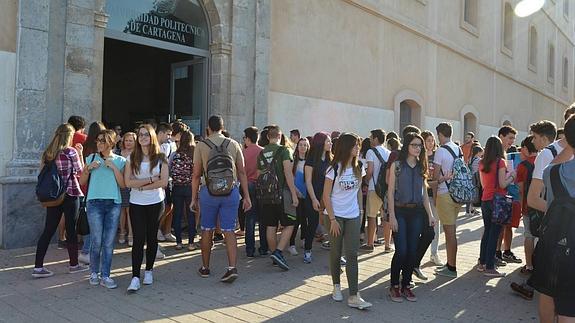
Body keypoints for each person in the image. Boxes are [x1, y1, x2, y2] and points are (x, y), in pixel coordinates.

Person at [191, 115, 251, 282]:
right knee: (229, 230)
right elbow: (242, 172)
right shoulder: (233, 144)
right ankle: (232, 267)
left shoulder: (201, 145)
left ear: (208, 128)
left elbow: (196, 175)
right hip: (230, 192)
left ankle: (205, 268)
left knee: (207, 229)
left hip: (208, 192)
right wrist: (246, 196)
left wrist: (193, 198)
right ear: (222, 127)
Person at [533, 115, 575, 323]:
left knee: (553, 298)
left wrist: (569, 145)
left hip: (558, 245)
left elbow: (551, 168)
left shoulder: (553, 172)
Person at [323, 133, 371, 310]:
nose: (358, 148)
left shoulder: (359, 167)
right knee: (336, 252)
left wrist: (360, 211)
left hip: (352, 215)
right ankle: (336, 286)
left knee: (352, 254)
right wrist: (333, 219)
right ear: (345, 147)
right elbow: (326, 196)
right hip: (335, 216)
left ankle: (354, 295)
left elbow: (358, 190)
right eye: (354, 145)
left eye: (358, 145)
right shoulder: (333, 169)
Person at [32, 124, 88, 278]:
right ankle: (74, 265)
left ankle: (38, 267)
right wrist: (81, 154)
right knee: (71, 230)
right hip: (70, 194)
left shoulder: (48, 153)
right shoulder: (71, 152)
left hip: (54, 196)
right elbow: (80, 172)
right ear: (69, 136)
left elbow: (41, 172)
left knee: (48, 230)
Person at [387, 132, 435, 302]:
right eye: (414, 145)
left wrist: (430, 215)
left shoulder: (422, 166)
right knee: (401, 250)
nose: (417, 148)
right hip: (399, 211)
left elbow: (424, 194)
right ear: (406, 146)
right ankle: (394, 285)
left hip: (416, 213)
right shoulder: (397, 165)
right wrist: (391, 216)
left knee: (412, 250)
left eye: (419, 145)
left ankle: (406, 284)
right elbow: (390, 192)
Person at [124, 124, 169, 292]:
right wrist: (150, 180)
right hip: (137, 203)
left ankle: (149, 270)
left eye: (146, 135)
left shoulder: (160, 157)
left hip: (156, 203)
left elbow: (163, 182)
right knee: (138, 240)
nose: (143, 137)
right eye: (140, 135)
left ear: (152, 137)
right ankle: (135, 276)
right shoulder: (132, 158)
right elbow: (128, 182)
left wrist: (140, 185)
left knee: (152, 238)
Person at [79, 129, 126, 288]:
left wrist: (113, 167)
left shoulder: (120, 160)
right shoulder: (91, 157)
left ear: (111, 143)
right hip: (94, 203)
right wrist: (88, 168)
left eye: (102, 141)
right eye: (98, 140)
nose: (98, 143)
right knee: (96, 239)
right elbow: (82, 182)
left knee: (108, 242)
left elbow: (123, 185)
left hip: (113, 203)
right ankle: (94, 272)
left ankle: (106, 275)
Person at [257, 125, 299, 270]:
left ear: (268, 137)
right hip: (282, 193)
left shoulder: (262, 153)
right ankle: (279, 252)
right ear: (280, 136)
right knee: (290, 223)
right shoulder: (284, 150)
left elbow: (259, 175)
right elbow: (288, 174)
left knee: (271, 226)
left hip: (266, 195)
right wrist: (294, 194)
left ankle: (275, 256)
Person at [477, 137, 515, 277]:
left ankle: (482, 262)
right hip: (498, 201)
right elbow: (502, 184)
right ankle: (490, 267)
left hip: (485, 200)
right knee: (494, 234)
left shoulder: (482, 163)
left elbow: (483, 184)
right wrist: (512, 177)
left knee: (487, 232)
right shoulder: (501, 162)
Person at [433, 122, 461, 278]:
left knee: (450, 233)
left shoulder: (440, 151)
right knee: (452, 231)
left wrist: (435, 196)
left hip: (445, 194)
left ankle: (451, 267)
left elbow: (436, 177)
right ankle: (450, 263)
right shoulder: (458, 149)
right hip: (457, 193)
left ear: (440, 134)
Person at [77, 121, 106, 265]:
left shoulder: (85, 146)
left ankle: (86, 250)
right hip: (97, 189)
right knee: (96, 224)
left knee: (91, 222)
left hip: (86, 188)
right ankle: (87, 251)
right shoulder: (99, 150)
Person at [304, 132, 333, 263]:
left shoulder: (330, 160)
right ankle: (307, 250)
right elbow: (308, 181)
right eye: (328, 141)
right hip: (313, 196)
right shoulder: (311, 160)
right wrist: (314, 199)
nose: (331, 143)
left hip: (328, 197)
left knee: (333, 223)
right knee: (313, 224)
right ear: (321, 143)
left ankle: (336, 253)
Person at [360, 129, 391, 252]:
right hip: (386, 188)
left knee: (371, 216)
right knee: (386, 217)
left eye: (371, 137)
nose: (370, 139)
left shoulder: (370, 152)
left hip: (374, 187)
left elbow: (370, 170)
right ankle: (387, 245)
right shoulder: (389, 152)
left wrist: (366, 181)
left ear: (376, 138)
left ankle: (370, 243)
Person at [495, 125, 521, 265]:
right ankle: (494, 254)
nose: (512, 141)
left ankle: (504, 252)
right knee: (495, 229)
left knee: (506, 226)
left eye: (513, 138)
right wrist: (511, 177)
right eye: (510, 138)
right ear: (501, 136)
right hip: (496, 196)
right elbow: (501, 182)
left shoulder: (506, 154)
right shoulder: (496, 156)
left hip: (504, 196)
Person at [242, 126, 267, 257]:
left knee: (250, 218)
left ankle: (250, 249)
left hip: (248, 185)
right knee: (263, 218)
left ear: (247, 138)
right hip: (262, 186)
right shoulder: (263, 151)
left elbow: (241, 172)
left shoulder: (243, 153)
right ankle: (263, 247)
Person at [170, 130, 196, 250]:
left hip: (177, 187)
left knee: (178, 214)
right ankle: (191, 243)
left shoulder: (175, 154)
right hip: (190, 187)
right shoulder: (193, 154)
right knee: (191, 214)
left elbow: (170, 169)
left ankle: (179, 242)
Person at [516, 136, 538, 276]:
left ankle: (529, 266)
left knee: (529, 235)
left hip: (528, 206)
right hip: (544, 205)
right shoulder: (546, 161)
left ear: (525, 148)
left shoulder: (523, 166)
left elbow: (520, 189)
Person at [289, 137, 310, 255]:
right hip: (296, 194)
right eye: (301, 145)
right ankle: (291, 244)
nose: (302, 147)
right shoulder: (293, 161)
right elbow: (290, 177)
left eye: (305, 145)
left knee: (305, 219)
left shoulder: (309, 161)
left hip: (307, 194)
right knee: (296, 220)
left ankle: (303, 239)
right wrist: (295, 191)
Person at [156, 122, 176, 243]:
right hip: (156, 182)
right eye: (168, 134)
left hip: (167, 180)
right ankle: (157, 230)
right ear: (161, 133)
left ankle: (167, 231)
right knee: (161, 207)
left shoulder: (168, 145)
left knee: (169, 206)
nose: (169, 137)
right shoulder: (152, 146)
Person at [118, 132, 137, 246]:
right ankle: (122, 232)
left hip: (132, 184)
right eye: (126, 140)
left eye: (131, 140)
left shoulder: (137, 154)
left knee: (130, 211)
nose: (128, 143)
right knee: (121, 210)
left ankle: (131, 234)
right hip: (121, 184)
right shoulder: (118, 153)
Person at [465, 144, 484, 216]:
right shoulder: (479, 160)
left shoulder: (470, 159)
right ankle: (470, 210)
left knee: (470, 194)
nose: (482, 153)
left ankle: (470, 210)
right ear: (478, 152)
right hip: (475, 178)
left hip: (470, 177)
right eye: (481, 152)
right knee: (474, 194)